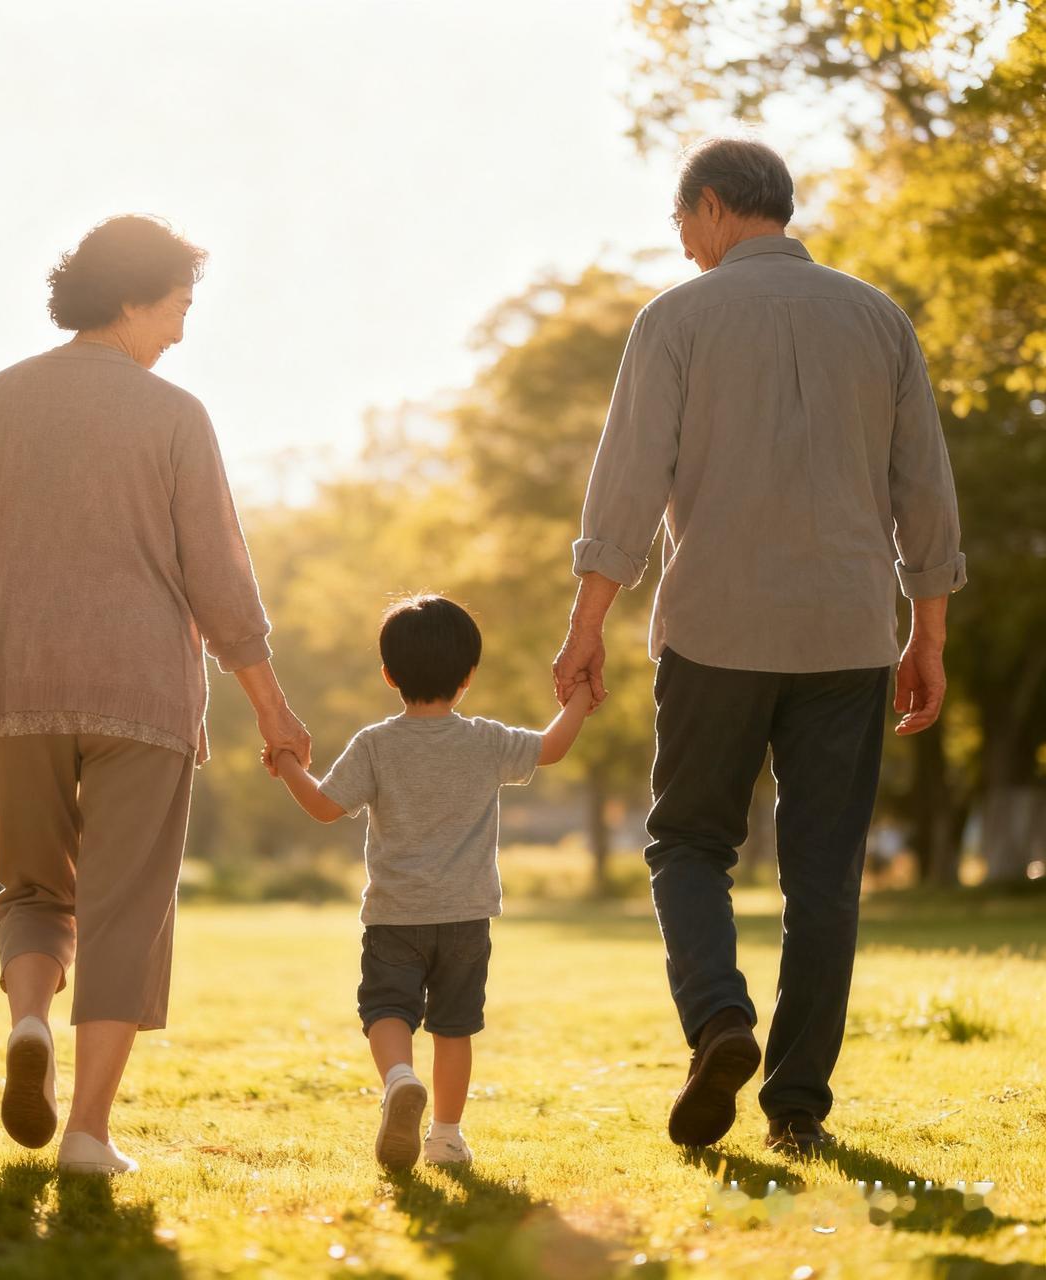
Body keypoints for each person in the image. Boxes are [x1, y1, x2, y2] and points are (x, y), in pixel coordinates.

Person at [552, 136, 965, 1156]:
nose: (683, 244)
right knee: (822, 877)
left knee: (688, 842)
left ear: (707, 208)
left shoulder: (675, 319)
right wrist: (927, 634)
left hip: (715, 632)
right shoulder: (876, 318)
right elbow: (924, 489)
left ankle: (718, 1020)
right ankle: (794, 1107)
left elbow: (628, 482)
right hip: (846, 634)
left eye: (680, 223)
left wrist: (585, 620)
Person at [0, 214, 310, 1175]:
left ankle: (31, 1023)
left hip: (11, 684)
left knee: (35, 889)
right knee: (128, 907)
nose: (181, 329)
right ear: (132, 299)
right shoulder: (175, 417)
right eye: (178, 305)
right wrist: (269, 702)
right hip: (141, 696)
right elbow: (221, 581)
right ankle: (87, 1131)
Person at [268, 595, 592, 1170]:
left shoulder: (375, 743)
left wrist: (287, 762)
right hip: (466, 916)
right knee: (453, 1026)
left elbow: (323, 807)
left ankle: (397, 1080)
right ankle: (444, 1136)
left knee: (387, 1008)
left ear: (389, 673)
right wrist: (583, 697)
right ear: (468, 675)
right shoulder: (486, 740)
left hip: (395, 915)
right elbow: (554, 746)